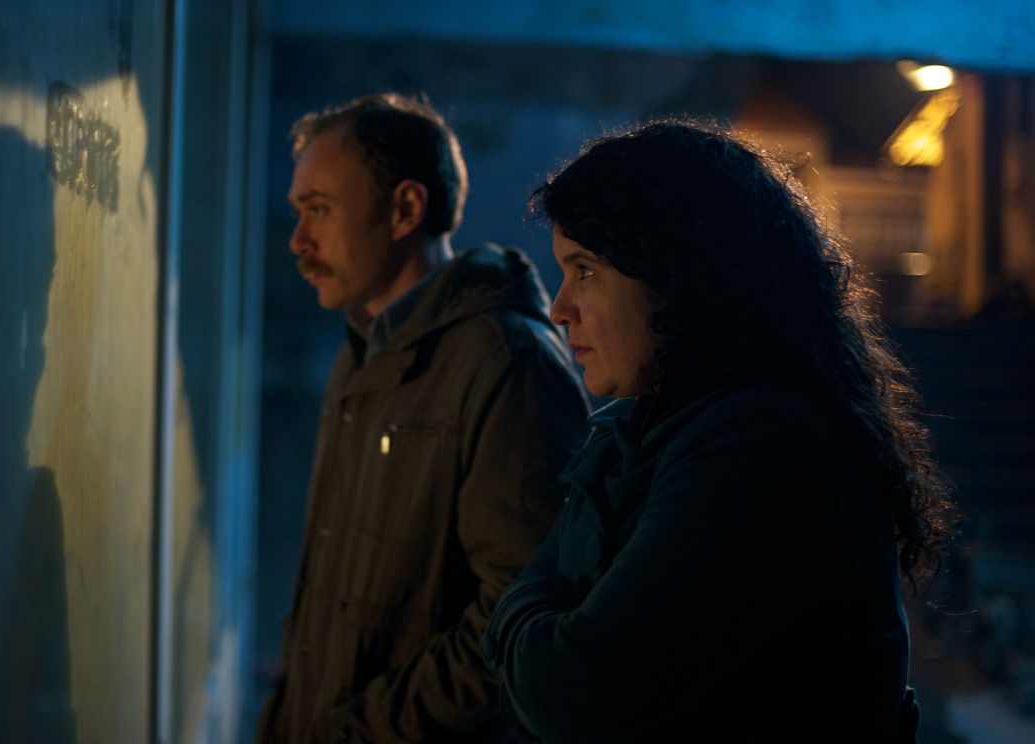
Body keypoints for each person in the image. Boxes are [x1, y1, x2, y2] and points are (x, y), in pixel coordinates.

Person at [481, 118, 956, 741]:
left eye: (586, 271)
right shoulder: (639, 429)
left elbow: (571, 694)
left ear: (680, 275)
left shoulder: (764, 448)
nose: (559, 308)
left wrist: (518, 616)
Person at [257, 93, 590, 743]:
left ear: (406, 209)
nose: (298, 241)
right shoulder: (361, 351)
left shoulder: (505, 360)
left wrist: (363, 730)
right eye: (298, 212)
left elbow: (520, 619)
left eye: (318, 210)